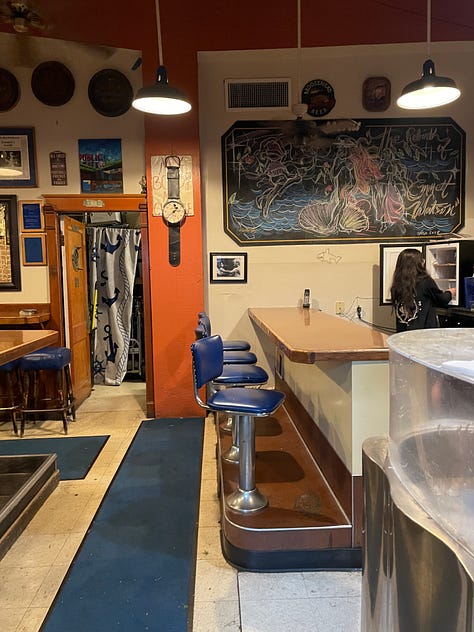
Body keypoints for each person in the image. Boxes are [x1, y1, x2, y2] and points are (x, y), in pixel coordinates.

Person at [390, 248, 456, 332]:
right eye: (422, 260)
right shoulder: (425, 281)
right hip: (424, 333)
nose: (424, 261)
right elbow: (442, 300)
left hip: (403, 332)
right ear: (418, 264)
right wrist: (450, 292)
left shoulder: (397, 284)